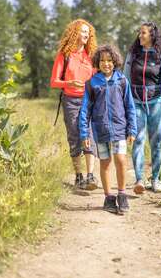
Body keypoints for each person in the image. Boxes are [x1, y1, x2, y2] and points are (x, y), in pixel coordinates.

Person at [79, 45, 137, 214]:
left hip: (120, 128)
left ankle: (122, 194)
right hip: (100, 129)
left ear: (115, 62)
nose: (106, 64)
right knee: (105, 163)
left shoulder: (121, 81)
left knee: (120, 160)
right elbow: (85, 110)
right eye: (102, 61)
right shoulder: (92, 83)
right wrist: (84, 133)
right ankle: (108, 197)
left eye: (109, 61)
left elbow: (130, 107)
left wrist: (132, 129)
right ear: (97, 62)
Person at [124, 22, 161, 194]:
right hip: (136, 102)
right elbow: (125, 78)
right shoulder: (132, 55)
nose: (140, 36)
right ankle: (139, 180)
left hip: (157, 103)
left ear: (152, 35)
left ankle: (155, 180)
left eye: (143, 33)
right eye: (139, 33)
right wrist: (122, 100)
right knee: (138, 139)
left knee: (156, 142)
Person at [50, 19, 98, 190]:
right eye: (82, 31)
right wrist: (70, 84)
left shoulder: (91, 56)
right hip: (70, 101)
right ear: (74, 33)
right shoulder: (65, 54)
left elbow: (97, 79)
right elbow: (54, 82)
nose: (86, 35)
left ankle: (91, 176)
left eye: (88, 32)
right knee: (75, 137)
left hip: (89, 101)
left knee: (90, 136)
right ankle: (78, 176)